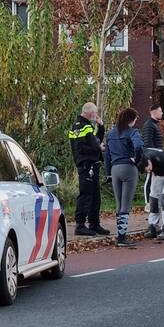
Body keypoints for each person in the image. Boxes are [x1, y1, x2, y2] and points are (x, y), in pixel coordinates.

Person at [104, 107, 144, 247]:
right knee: (126, 204)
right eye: (135, 119)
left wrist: (108, 173)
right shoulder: (132, 132)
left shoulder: (110, 133)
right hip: (128, 167)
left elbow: (107, 156)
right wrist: (136, 160)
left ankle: (120, 234)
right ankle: (122, 237)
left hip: (114, 169)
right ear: (131, 120)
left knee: (119, 202)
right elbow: (139, 147)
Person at [68, 102, 109, 237]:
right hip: (86, 165)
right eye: (94, 112)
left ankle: (94, 223)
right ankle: (80, 225)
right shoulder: (80, 126)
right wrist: (98, 148)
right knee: (85, 195)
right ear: (88, 112)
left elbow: (96, 140)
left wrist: (101, 126)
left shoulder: (87, 126)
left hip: (92, 164)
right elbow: (81, 148)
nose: (96, 115)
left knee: (95, 196)